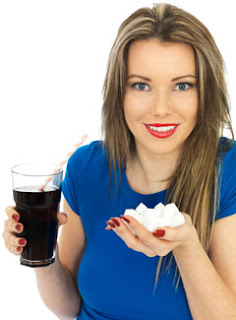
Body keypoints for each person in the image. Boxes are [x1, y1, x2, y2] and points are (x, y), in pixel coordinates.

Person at [3, 3, 236, 319]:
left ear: (204, 92)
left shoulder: (228, 170)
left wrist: (186, 247)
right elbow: (68, 307)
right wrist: (42, 254)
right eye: (141, 85)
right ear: (119, 93)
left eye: (182, 85)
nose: (161, 108)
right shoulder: (86, 168)